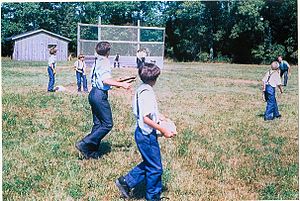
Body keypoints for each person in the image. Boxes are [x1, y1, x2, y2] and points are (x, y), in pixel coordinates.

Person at [115, 63, 176, 201]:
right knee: (155, 168)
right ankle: (153, 197)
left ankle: (125, 182)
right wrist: (164, 130)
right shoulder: (147, 93)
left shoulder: (142, 88)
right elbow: (146, 119)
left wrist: (160, 116)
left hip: (141, 133)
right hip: (147, 134)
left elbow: (146, 110)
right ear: (155, 79)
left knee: (151, 163)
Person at [75, 41, 131, 159]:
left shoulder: (97, 61)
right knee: (107, 124)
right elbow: (105, 81)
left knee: (98, 124)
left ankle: (90, 152)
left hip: (93, 93)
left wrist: (116, 81)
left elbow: (101, 79)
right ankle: (84, 143)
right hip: (100, 95)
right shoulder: (105, 61)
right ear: (108, 51)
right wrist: (122, 85)